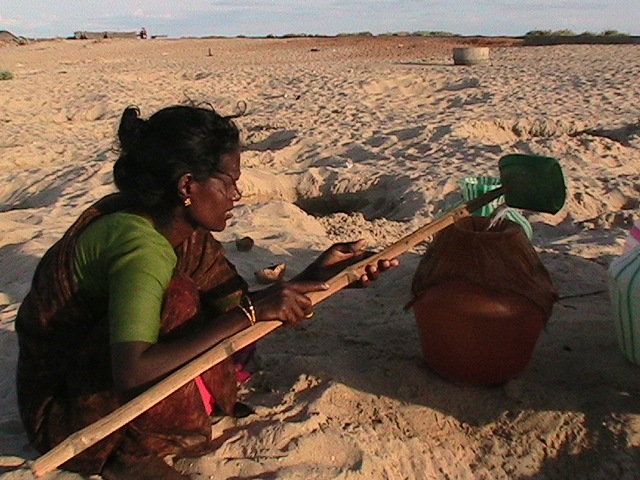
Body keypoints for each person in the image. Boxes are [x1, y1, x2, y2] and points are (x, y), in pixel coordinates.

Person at [15, 104, 397, 479]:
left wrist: (322, 274)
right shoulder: (141, 249)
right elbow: (133, 372)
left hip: (102, 376)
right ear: (187, 185)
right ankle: (131, 453)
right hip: (71, 414)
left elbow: (241, 308)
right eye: (228, 181)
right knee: (179, 296)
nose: (237, 193)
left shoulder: (176, 226)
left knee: (205, 301)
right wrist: (248, 315)